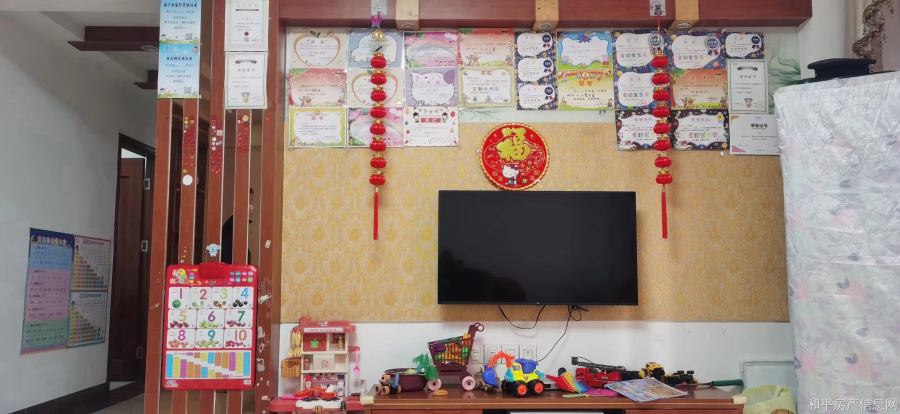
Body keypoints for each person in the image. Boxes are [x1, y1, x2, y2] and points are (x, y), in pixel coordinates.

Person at [221, 188, 253, 264]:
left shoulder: (238, 221)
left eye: (250, 201)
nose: (250, 205)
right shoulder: (234, 222)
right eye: (247, 201)